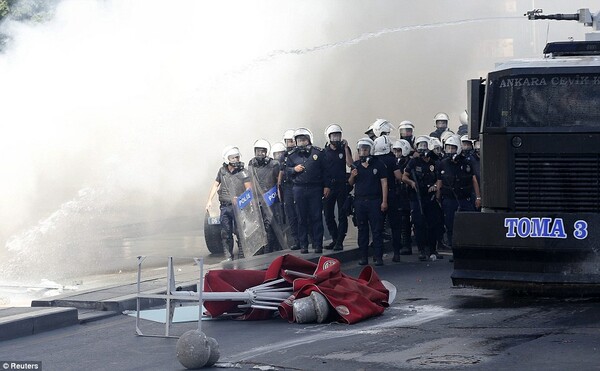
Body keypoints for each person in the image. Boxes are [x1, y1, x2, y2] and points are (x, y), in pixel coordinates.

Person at [286, 128, 329, 254]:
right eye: (299, 140)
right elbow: (286, 172)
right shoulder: (292, 155)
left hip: (315, 188)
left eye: (304, 140)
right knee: (301, 217)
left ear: (309, 140)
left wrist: (327, 186)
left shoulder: (318, 152)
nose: (301, 143)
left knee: (316, 217)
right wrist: (294, 169)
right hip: (299, 189)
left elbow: (325, 171)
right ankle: (304, 245)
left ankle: (318, 244)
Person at [402, 136, 444, 261]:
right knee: (419, 224)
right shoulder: (413, 162)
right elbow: (404, 177)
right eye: (420, 145)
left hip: (430, 197)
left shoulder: (434, 162)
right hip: (417, 197)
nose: (422, 148)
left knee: (433, 224)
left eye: (425, 145)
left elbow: (439, 178)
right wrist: (411, 183)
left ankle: (433, 249)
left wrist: (435, 187)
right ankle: (421, 250)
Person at [435, 135, 481, 250]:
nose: (450, 151)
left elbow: (473, 179)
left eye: (453, 148)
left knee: (468, 224)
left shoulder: (466, 162)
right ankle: (454, 250)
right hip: (449, 200)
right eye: (448, 148)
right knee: (450, 225)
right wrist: (438, 198)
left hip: (465, 199)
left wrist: (478, 198)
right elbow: (439, 181)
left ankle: (469, 248)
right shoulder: (443, 163)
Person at [206, 146, 251, 261]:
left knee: (240, 232)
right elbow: (216, 185)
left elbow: (249, 190)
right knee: (225, 232)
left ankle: (242, 255)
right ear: (227, 159)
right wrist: (209, 200)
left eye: (237, 157)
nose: (236, 159)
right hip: (225, 206)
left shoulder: (243, 172)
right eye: (233, 158)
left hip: (239, 207)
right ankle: (228, 256)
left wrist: (240, 199)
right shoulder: (222, 171)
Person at [348, 138, 388, 266]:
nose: (363, 152)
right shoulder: (356, 165)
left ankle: (378, 256)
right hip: (360, 202)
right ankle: (363, 257)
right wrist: (352, 175)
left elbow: (384, 183)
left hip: (375, 201)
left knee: (377, 230)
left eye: (365, 149)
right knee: (362, 229)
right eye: (361, 149)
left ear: (370, 150)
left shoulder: (378, 164)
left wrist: (384, 201)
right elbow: (350, 184)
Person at [322, 124, 353, 251]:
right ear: (329, 137)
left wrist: (345, 148)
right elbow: (322, 171)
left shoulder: (344, 149)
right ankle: (334, 238)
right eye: (334, 135)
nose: (336, 138)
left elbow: (350, 164)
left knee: (342, 214)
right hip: (329, 186)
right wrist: (325, 186)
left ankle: (340, 241)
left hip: (342, 185)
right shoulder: (324, 152)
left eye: (338, 135)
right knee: (328, 215)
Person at [248, 139, 281, 253]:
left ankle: (272, 249)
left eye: (262, 151)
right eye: (258, 151)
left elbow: (279, 181)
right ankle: (264, 249)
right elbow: (250, 181)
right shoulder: (251, 164)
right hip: (258, 200)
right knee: (260, 226)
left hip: (271, 198)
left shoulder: (274, 164)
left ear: (267, 152)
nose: (260, 154)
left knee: (272, 225)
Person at [373, 135, 403, 262]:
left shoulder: (373, 160)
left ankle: (378, 255)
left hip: (376, 196)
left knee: (377, 227)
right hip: (391, 195)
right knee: (395, 226)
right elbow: (399, 177)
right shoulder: (391, 160)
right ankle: (396, 253)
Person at [392, 139, 414, 255]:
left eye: (398, 151)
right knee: (399, 220)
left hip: (407, 194)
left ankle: (407, 244)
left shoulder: (408, 162)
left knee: (406, 220)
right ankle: (401, 243)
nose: (396, 153)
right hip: (397, 194)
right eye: (395, 151)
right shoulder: (395, 162)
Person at [279, 130, 299, 250]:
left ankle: (307, 239)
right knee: (291, 215)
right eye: (287, 141)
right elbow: (282, 171)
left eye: (291, 141)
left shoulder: (300, 154)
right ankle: (296, 240)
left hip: (298, 185)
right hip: (287, 188)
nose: (289, 143)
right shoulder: (283, 156)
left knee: (302, 214)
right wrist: (279, 185)